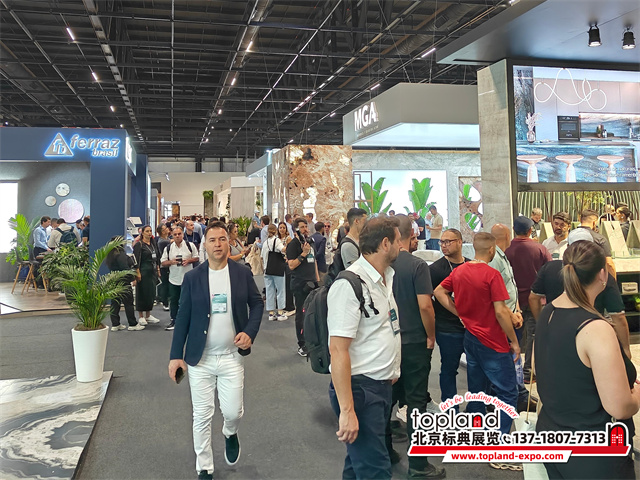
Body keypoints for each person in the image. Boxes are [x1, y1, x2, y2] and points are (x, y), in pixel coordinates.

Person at [534, 240, 640, 480]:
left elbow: (542, 369)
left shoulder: (548, 312)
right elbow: (619, 407)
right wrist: (637, 395)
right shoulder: (595, 328)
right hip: (594, 450)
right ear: (602, 274)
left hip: (552, 436)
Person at [168, 221, 264, 480]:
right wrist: (176, 355)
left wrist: (250, 332)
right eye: (212, 240)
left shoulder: (241, 273)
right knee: (201, 415)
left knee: (232, 412)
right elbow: (183, 317)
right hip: (200, 359)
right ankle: (204, 467)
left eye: (222, 239)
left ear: (228, 243)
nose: (218, 244)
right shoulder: (193, 278)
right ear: (205, 245)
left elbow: (257, 304)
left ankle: (230, 433)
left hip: (231, 357)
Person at [327, 216, 402, 480]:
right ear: (385, 244)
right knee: (375, 470)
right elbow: (337, 350)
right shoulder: (350, 285)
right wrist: (347, 411)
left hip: (380, 387)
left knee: (357, 464)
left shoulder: (385, 279)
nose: (402, 245)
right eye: (398, 240)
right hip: (360, 391)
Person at [434, 232, 520, 437]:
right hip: (492, 341)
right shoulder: (492, 275)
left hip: (470, 337)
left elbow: (439, 292)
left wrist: (459, 313)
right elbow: (500, 311)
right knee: (508, 392)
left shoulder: (459, 271)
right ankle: (500, 437)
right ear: (492, 249)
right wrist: (515, 341)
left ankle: (477, 430)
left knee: (476, 389)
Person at [390, 215, 444, 479]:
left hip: (389, 344)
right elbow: (425, 306)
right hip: (414, 342)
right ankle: (418, 464)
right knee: (416, 402)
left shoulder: (381, 264)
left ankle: (386, 450)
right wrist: (431, 335)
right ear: (410, 234)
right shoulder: (417, 265)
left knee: (388, 398)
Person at [530, 228, 632, 359]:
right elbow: (618, 317)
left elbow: (533, 298)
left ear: (567, 247)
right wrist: (625, 349)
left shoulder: (549, 269)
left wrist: (542, 322)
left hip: (556, 335)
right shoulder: (603, 277)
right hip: (592, 337)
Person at [489, 224, 533, 413]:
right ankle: (509, 398)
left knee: (513, 359)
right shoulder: (494, 260)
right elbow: (494, 296)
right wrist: (510, 313)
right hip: (503, 319)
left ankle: (517, 394)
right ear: (507, 236)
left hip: (511, 313)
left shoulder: (502, 256)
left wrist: (516, 309)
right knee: (509, 358)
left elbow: (509, 287)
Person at [505, 215, 551, 381]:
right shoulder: (540, 249)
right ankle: (528, 372)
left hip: (512, 301)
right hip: (536, 300)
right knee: (533, 336)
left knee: (512, 336)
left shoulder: (506, 251)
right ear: (531, 230)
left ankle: (512, 371)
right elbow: (549, 270)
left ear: (514, 230)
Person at [429, 228, 469, 410]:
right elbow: (428, 299)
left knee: (476, 368)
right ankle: (450, 408)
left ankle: (477, 405)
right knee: (449, 369)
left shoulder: (470, 265)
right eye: (442, 242)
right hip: (447, 328)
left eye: (448, 241)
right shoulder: (435, 269)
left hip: (471, 327)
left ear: (459, 242)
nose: (444, 245)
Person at [286, 217, 319, 357]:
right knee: (301, 314)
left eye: (306, 226)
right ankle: (302, 343)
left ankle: (312, 341)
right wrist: (303, 253)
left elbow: (314, 261)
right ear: (296, 230)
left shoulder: (310, 242)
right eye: (302, 227)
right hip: (300, 284)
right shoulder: (293, 245)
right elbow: (291, 265)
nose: (305, 229)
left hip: (312, 283)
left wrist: (317, 279)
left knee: (313, 314)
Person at [161, 225, 199, 331]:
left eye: (179, 234)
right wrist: (171, 262)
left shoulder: (190, 245)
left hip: (187, 279)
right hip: (174, 279)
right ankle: (174, 320)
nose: (177, 236)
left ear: (182, 234)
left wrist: (188, 261)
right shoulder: (168, 248)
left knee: (187, 300)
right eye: (175, 234)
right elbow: (163, 262)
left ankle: (188, 320)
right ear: (172, 236)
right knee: (174, 301)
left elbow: (197, 257)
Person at [106, 240, 145, 331]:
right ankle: (132, 324)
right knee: (128, 303)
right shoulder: (121, 255)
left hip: (114, 281)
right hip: (123, 282)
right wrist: (132, 278)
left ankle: (115, 324)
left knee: (115, 303)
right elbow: (125, 269)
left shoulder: (110, 255)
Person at [133, 225, 162, 326]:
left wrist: (158, 269)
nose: (149, 233)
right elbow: (136, 260)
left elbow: (157, 257)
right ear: (142, 233)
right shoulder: (139, 245)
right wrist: (137, 273)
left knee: (150, 293)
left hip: (152, 271)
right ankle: (141, 316)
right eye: (147, 231)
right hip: (143, 271)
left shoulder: (153, 244)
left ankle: (148, 315)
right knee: (142, 293)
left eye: (150, 231)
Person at [577, 209, 616, 278]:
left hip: (574, 278)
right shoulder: (600, 239)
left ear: (580, 220)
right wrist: (613, 281)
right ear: (594, 222)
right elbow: (609, 263)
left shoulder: (571, 236)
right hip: (593, 278)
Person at [261, 224, 287, 321]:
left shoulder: (265, 243)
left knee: (269, 291)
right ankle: (280, 312)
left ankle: (271, 313)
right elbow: (283, 249)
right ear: (276, 231)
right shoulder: (277, 241)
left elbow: (262, 257)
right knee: (280, 290)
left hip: (267, 270)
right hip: (277, 269)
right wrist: (288, 245)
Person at [278, 222, 295, 313]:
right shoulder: (277, 239)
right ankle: (282, 304)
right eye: (280, 228)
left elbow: (291, 250)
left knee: (287, 285)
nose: (282, 229)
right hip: (278, 263)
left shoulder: (288, 239)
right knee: (280, 285)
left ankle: (289, 305)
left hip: (286, 262)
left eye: (283, 228)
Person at [156, 223, 171, 312]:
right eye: (165, 228)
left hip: (168, 265)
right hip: (164, 266)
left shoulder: (167, 239)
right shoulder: (163, 242)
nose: (167, 229)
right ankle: (165, 302)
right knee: (165, 284)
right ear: (162, 231)